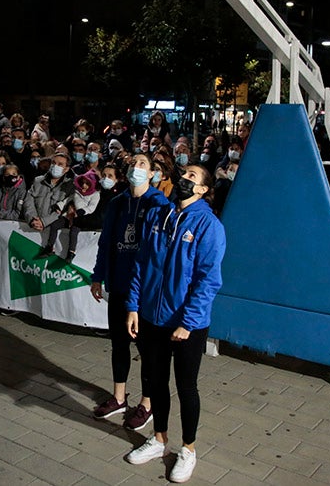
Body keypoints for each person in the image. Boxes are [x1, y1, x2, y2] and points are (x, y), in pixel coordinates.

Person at [125, 165, 225, 482]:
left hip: (186, 324)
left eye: (193, 176)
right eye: (185, 173)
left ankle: (188, 450)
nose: (184, 178)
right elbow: (141, 263)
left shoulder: (209, 225)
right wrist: (133, 306)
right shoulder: (159, 215)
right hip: (152, 317)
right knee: (155, 381)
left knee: (186, 387)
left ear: (203, 190)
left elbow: (208, 281)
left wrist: (189, 322)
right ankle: (159, 440)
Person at [90, 154, 169, 431]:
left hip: (145, 291)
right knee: (119, 344)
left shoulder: (159, 204)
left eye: (143, 164)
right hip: (119, 285)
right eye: (133, 163)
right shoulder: (117, 203)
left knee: (147, 349)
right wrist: (98, 276)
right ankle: (119, 398)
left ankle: (147, 403)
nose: (137, 167)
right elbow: (105, 243)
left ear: (153, 174)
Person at [24, 152, 75, 245]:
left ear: (66, 169)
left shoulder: (70, 186)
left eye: (60, 164)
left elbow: (64, 210)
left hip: (54, 237)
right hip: (33, 230)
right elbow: (29, 201)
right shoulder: (38, 181)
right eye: (53, 163)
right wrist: (32, 219)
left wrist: (44, 222)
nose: (55, 166)